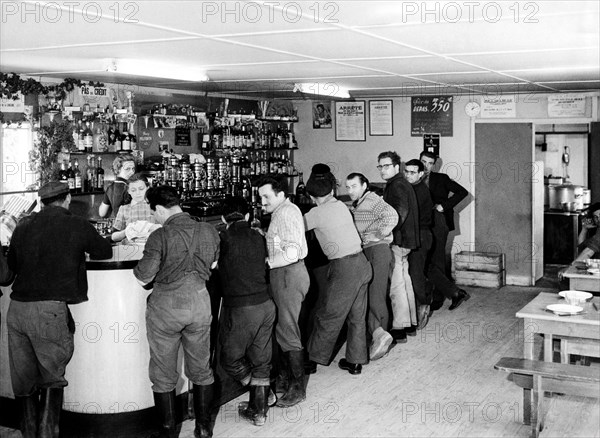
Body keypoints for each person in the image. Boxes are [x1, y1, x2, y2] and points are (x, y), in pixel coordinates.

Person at [6, 181, 112, 438]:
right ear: (66, 199)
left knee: (24, 384)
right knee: (52, 379)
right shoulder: (75, 223)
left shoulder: (23, 225)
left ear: (42, 202)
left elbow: (11, 267)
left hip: (17, 309)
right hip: (48, 312)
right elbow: (104, 251)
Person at [133, 186, 220, 438]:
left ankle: (168, 432)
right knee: (202, 368)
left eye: (154, 213)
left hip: (166, 309)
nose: (155, 218)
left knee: (163, 373)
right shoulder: (208, 230)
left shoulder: (159, 236)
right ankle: (203, 429)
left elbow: (143, 277)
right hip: (200, 304)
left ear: (159, 209)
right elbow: (213, 264)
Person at [304, 164, 372, 375]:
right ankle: (355, 361)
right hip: (362, 263)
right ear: (332, 191)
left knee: (329, 315)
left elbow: (293, 230)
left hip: (345, 268)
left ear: (310, 195)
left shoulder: (316, 212)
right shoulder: (341, 205)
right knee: (357, 316)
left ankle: (312, 360)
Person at [217, 197, 277, 427]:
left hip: (241, 308)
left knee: (230, 358)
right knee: (262, 359)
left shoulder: (222, 238)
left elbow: (214, 267)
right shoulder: (259, 236)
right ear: (248, 216)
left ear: (223, 219)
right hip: (265, 304)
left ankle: (262, 393)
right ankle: (259, 411)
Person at [256, 175, 310, 408]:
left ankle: (297, 388)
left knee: (288, 330)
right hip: (284, 274)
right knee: (282, 328)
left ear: (280, 194)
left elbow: (293, 251)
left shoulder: (287, 212)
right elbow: (283, 242)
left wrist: (267, 262)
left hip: (289, 274)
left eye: (266, 197)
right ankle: (285, 380)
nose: (262, 202)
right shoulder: (281, 212)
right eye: (260, 197)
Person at [345, 172, 398, 361]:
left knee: (376, 296)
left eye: (354, 186)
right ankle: (379, 335)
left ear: (364, 185)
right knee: (370, 295)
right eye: (348, 187)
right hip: (370, 251)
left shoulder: (372, 199)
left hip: (377, 251)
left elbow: (392, 215)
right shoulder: (362, 202)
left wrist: (378, 234)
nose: (350, 190)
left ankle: (382, 336)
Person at [420, 151, 470, 311]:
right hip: (421, 224)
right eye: (423, 161)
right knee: (424, 260)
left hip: (438, 222)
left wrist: (444, 206)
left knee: (437, 259)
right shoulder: (413, 177)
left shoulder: (441, 179)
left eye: (429, 163)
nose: (426, 166)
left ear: (434, 164)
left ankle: (438, 298)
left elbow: (462, 192)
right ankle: (451, 292)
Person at [378, 151, 419, 342]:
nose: (382, 170)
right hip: (406, 240)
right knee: (404, 279)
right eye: (380, 166)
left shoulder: (397, 185)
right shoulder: (400, 183)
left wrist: (386, 232)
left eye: (386, 166)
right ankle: (410, 323)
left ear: (396, 167)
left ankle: (400, 327)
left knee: (396, 284)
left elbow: (400, 212)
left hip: (399, 239)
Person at [403, 159, 434, 330]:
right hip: (414, 234)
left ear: (421, 174)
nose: (408, 175)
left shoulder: (419, 191)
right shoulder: (410, 188)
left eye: (412, 172)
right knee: (411, 273)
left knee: (415, 273)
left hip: (420, 236)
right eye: (406, 171)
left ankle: (423, 304)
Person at [110, 173, 157, 242]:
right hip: (131, 249)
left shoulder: (156, 207)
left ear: (148, 188)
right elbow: (114, 236)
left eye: (141, 189)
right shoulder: (124, 209)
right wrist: (127, 231)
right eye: (133, 190)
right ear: (128, 191)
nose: (137, 193)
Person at [98, 153, 136, 218]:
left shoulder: (110, 188)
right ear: (118, 170)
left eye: (133, 169)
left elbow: (102, 213)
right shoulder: (129, 188)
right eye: (127, 169)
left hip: (118, 225)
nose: (132, 172)